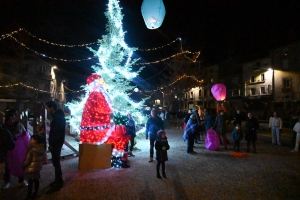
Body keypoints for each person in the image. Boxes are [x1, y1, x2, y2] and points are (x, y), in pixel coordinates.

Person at [3, 112, 29, 189]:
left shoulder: (19, 126)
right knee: (7, 165)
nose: (12, 121)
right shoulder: (4, 127)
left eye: (13, 119)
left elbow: (25, 135)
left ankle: (21, 180)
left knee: (19, 163)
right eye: (10, 119)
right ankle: (7, 181)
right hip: (7, 148)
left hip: (18, 149)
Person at [45, 101, 66, 194]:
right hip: (57, 143)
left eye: (47, 108)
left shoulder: (57, 118)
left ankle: (59, 182)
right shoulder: (57, 116)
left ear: (52, 108)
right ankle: (57, 180)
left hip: (56, 143)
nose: (46, 109)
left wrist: (52, 144)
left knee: (56, 162)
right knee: (55, 162)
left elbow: (56, 133)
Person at [22, 134, 45, 199]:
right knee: (36, 180)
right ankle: (35, 193)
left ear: (35, 140)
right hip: (37, 167)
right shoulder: (41, 148)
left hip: (31, 168)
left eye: (31, 139)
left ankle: (29, 195)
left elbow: (28, 161)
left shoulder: (31, 150)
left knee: (31, 182)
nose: (30, 140)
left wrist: (23, 165)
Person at [0, 112, 15, 189]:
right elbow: (11, 146)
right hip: (2, 157)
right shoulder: (5, 132)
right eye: (3, 117)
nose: (4, 119)